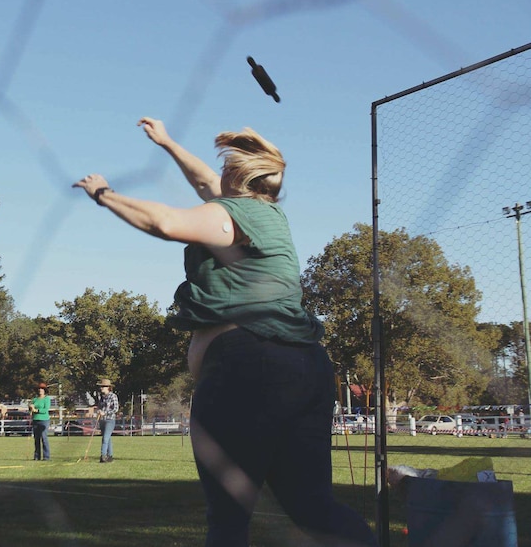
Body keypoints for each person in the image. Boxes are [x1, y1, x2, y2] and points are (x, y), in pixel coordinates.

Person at [73, 117, 377, 547]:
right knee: (312, 506)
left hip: (249, 371)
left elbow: (164, 222)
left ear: (237, 178)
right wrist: (167, 143)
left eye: (227, 169)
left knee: (229, 518)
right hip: (305, 367)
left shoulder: (237, 213)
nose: (217, 177)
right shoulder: (266, 214)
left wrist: (104, 194)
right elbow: (203, 182)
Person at [95, 378, 119, 463]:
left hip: (110, 420)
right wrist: (99, 411)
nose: (101, 388)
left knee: (105, 439)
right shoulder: (101, 397)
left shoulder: (113, 396)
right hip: (102, 420)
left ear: (108, 387)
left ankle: (103, 456)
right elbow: (99, 407)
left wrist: (105, 413)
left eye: (103, 387)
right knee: (107, 439)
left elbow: (115, 409)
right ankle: (110, 456)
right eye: (101, 387)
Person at [29, 382, 51, 460]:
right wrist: (31, 408)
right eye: (39, 389)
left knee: (44, 438)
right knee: (36, 438)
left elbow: (45, 410)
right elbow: (31, 409)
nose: (40, 390)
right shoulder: (34, 399)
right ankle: (37, 456)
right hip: (35, 420)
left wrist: (36, 410)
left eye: (42, 389)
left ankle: (46, 456)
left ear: (44, 390)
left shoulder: (47, 399)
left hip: (44, 420)